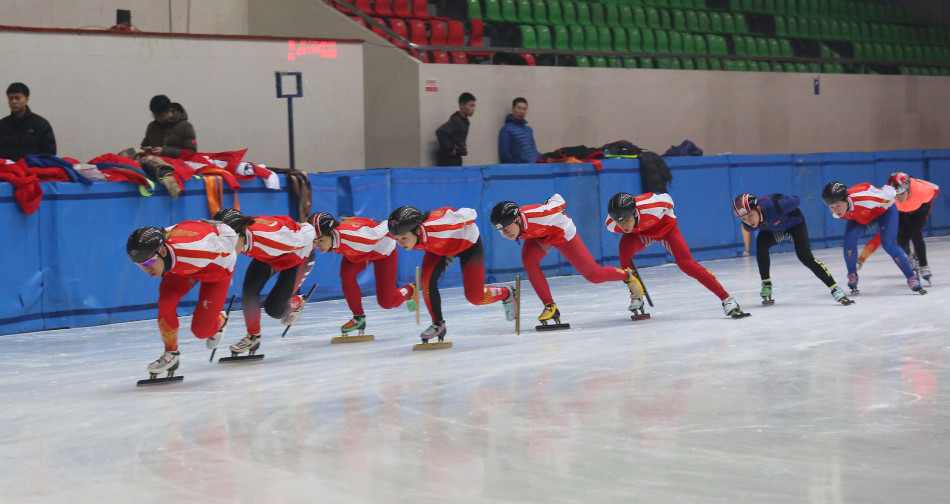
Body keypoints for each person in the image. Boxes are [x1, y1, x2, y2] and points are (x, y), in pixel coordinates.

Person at [489, 194, 644, 323]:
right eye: (501, 231)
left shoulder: (538, 215)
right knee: (529, 261)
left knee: (594, 275)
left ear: (517, 220)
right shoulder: (517, 226)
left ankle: (627, 275)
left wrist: (550, 205)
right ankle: (550, 306)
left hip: (561, 233)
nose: (506, 234)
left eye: (507, 228)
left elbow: (559, 199)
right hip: (541, 236)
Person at [606, 191, 747, 318]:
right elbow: (625, 226)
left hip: (665, 229)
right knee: (624, 250)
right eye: (620, 222)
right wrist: (632, 226)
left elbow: (669, 199)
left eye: (627, 221)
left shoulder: (654, 205)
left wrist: (664, 219)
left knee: (687, 264)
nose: (624, 226)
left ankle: (727, 299)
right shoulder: (611, 224)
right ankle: (636, 295)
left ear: (635, 213)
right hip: (641, 233)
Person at [387, 205, 517, 342]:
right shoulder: (410, 233)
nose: (400, 243)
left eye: (403, 238)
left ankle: (507, 293)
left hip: (467, 244)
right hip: (440, 249)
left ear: (418, 230)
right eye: (396, 239)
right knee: (426, 280)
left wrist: (459, 220)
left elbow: (471, 213)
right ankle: (438, 324)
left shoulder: (439, 226)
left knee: (476, 298)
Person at [126, 220, 238, 377]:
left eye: (149, 262)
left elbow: (231, 239)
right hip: (182, 269)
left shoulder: (197, 250)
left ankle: (220, 320)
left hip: (216, 271)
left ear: (163, 252)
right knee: (165, 303)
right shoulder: (165, 241)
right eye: (140, 265)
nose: (146, 269)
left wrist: (218, 224)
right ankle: (171, 354)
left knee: (201, 331)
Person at [213, 209, 317, 356]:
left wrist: (308, 227)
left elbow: (309, 232)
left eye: (227, 241)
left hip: (298, 255)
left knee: (274, 309)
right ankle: (253, 336)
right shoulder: (241, 236)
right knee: (249, 289)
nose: (225, 247)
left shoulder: (270, 238)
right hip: (270, 255)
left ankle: (296, 302)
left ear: (241, 234)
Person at [732, 193, 852, 305]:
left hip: (795, 225)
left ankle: (835, 288)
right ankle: (766, 284)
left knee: (805, 257)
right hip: (775, 230)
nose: (749, 221)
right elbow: (760, 225)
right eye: (744, 219)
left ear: (758, 209)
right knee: (761, 245)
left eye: (750, 216)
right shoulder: (748, 226)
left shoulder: (775, 206)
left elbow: (796, 199)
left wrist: (782, 200)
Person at [309, 212, 416, 335]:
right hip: (360, 252)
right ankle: (358, 317)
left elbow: (387, 224)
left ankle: (411, 289)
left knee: (387, 302)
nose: (318, 246)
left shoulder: (359, 238)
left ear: (332, 233)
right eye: (315, 242)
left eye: (321, 241)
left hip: (383, 252)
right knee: (347, 275)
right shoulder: (331, 238)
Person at [821, 181, 922, 293]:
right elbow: (855, 214)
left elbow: (887, 195)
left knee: (888, 244)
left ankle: (911, 277)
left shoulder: (865, 198)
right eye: (832, 207)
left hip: (884, 211)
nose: (835, 210)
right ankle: (852, 273)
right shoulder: (837, 212)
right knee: (849, 240)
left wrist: (891, 191)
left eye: (838, 206)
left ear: (846, 200)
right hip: (865, 215)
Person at [854, 172, 940, 282]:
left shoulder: (923, 191)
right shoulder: (885, 195)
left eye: (902, 194)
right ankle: (908, 256)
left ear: (908, 190)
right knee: (899, 236)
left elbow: (936, 189)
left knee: (916, 232)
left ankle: (923, 264)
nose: (899, 198)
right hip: (900, 210)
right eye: (896, 195)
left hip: (919, 208)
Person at [0, 82, 56, 160]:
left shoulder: (41, 124)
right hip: (8, 171)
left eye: (17, 98)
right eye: (10, 98)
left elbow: (49, 154)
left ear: (26, 99)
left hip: (33, 170)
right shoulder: (2, 125)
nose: (13, 102)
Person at [435, 92, 476, 166]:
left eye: (474, 106)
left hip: (457, 158)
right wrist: (449, 149)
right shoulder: (456, 120)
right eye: (470, 105)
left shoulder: (465, 121)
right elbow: (440, 132)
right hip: (448, 160)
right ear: (462, 105)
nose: (473, 109)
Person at [498, 97, 540, 164]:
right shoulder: (506, 129)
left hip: (535, 165)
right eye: (519, 108)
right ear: (513, 109)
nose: (521, 111)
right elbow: (504, 155)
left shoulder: (528, 130)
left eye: (524, 109)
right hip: (521, 168)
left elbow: (533, 150)